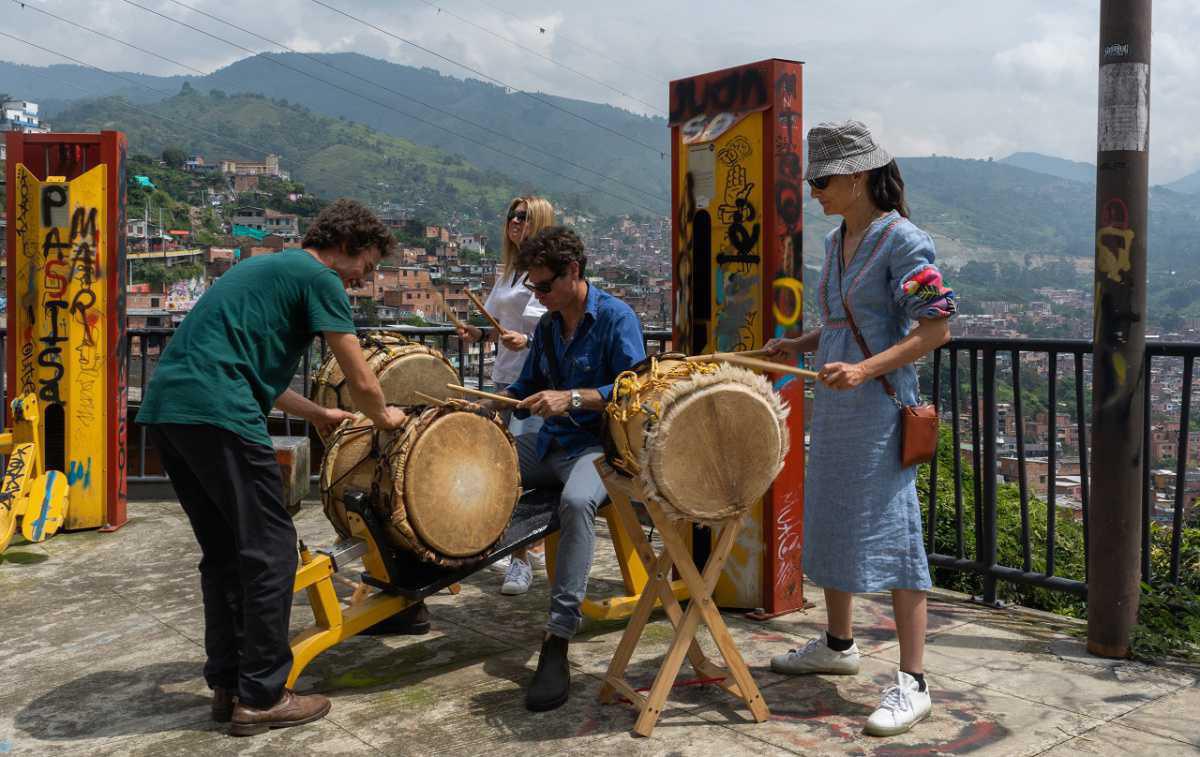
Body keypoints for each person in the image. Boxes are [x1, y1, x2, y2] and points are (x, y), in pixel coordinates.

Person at [137, 199, 409, 737]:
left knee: (224, 552)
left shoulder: (269, 268)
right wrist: (385, 417)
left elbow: (255, 374)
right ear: (347, 246)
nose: (364, 279)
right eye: (369, 265)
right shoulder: (321, 278)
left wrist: (319, 414)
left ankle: (228, 685)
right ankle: (263, 696)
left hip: (170, 411)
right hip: (220, 413)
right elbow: (360, 377)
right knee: (272, 551)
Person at [764, 121, 956, 737]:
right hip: (837, 405)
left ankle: (913, 681)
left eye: (821, 180)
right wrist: (799, 344)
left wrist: (865, 369)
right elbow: (844, 322)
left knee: (895, 533)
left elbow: (935, 329)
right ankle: (838, 643)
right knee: (833, 517)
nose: (814, 191)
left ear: (856, 177)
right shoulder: (835, 239)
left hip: (877, 407)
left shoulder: (904, 239)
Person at [494, 226, 646, 712]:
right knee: (486, 464)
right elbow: (526, 386)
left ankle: (558, 636)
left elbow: (635, 390)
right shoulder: (547, 327)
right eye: (533, 286)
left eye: (543, 285)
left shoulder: (617, 318)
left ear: (573, 271)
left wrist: (573, 398)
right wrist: (494, 405)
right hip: (552, 443)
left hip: (599, 447)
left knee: (577, 501)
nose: (537, 295)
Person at [457, 196, 553, 595]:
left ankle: (521, 559)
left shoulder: (544, 274)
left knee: (518, 470)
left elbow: (553, 328)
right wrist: (480, 333)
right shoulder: (510, 272)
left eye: (523, 216)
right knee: (500, 462)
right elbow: (500, 323)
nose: (514, 222)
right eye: (512, 216)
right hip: (505, 380)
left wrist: (526, 341)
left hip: (538, 383)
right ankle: (516, 548)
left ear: (540, 221)